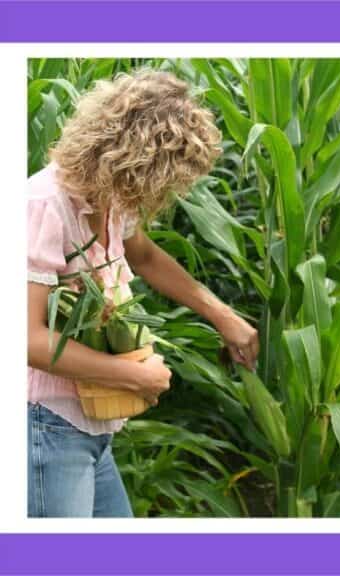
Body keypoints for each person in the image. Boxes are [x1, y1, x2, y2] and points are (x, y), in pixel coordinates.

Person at [26, 70, 258, 517]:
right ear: (130, 160)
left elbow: (145, 257)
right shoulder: (43, 205)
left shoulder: (111, 195)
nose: (161, 196)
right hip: (46, 425)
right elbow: (27, 340)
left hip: (91, 426)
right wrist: (132, 375)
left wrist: (222, 314)